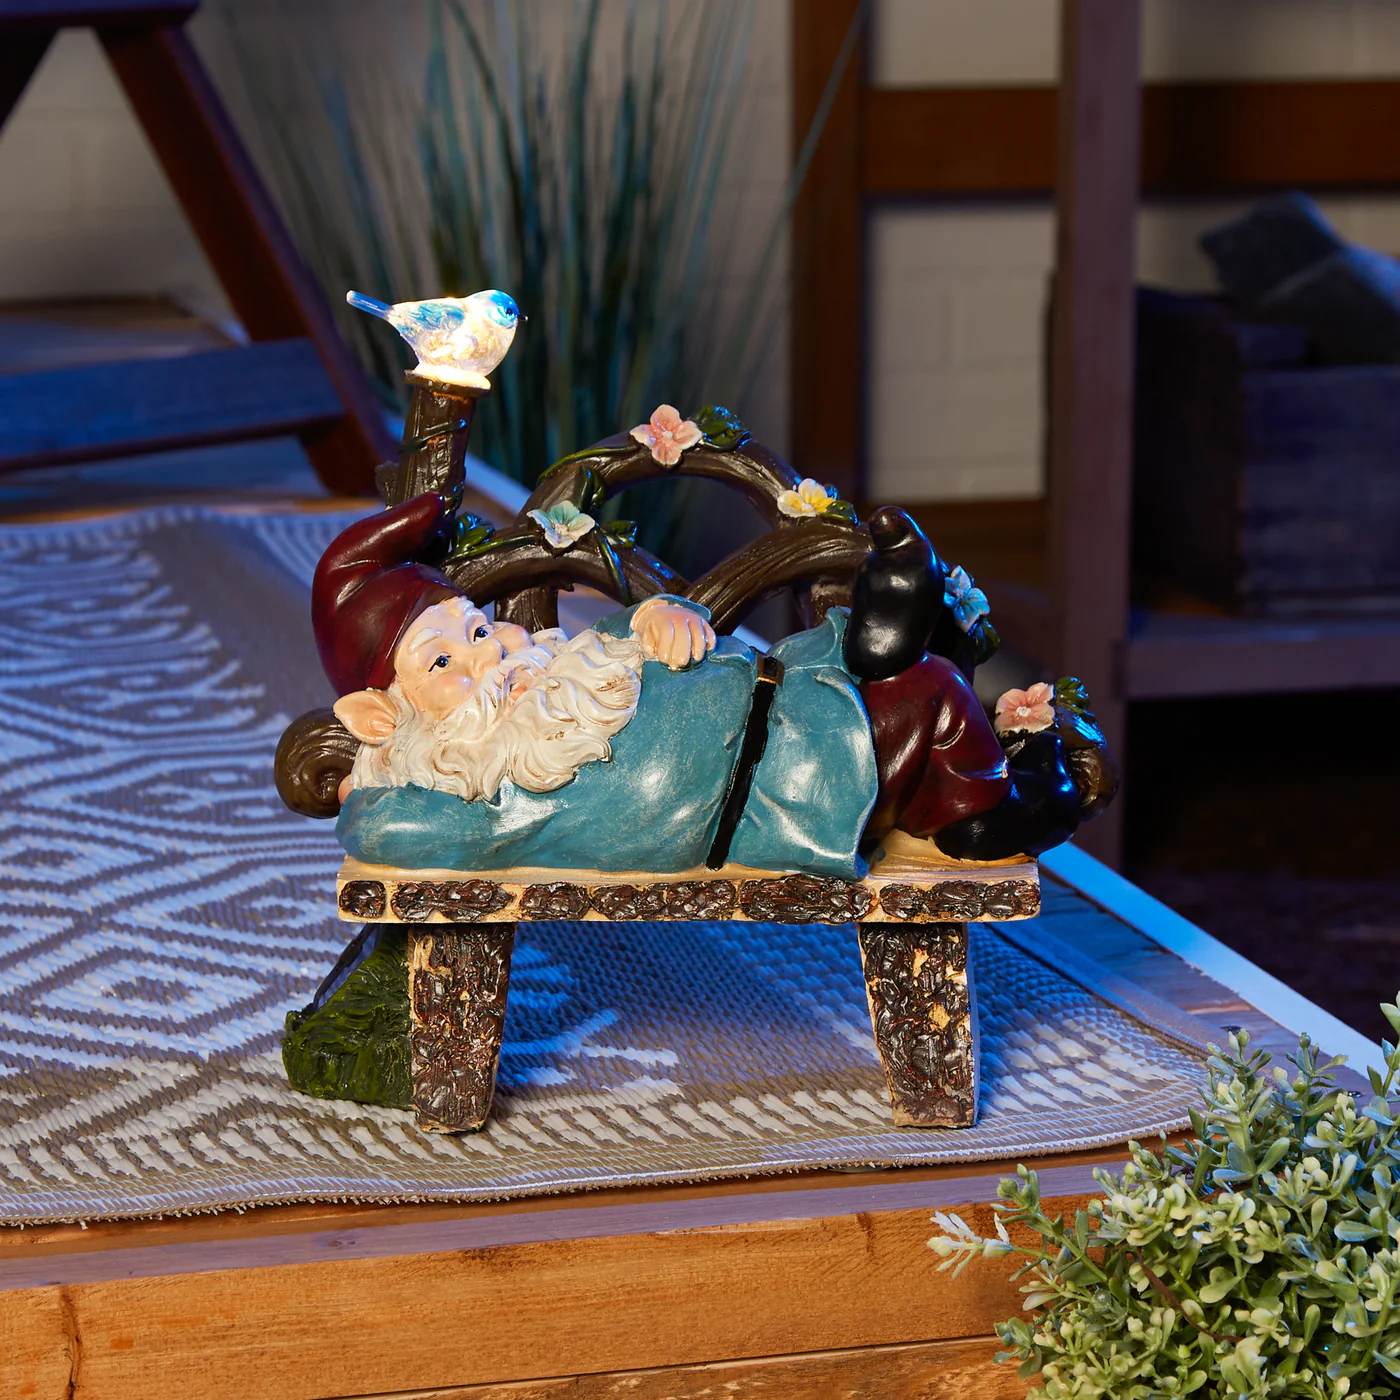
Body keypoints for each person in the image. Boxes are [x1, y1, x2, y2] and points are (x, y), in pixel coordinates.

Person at [311, 493, 1108, 878]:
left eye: (478, 631)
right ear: (384, 714)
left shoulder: (550, 682)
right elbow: (379, 828)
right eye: (443, 665)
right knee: (926, 694)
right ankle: (979, 806)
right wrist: (369, 782)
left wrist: (656, 614)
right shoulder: (476, 791)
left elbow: (608, 646)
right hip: (777, 783)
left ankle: (883, 643)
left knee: (867, 678)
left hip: (776, 688)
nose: (486, 660)